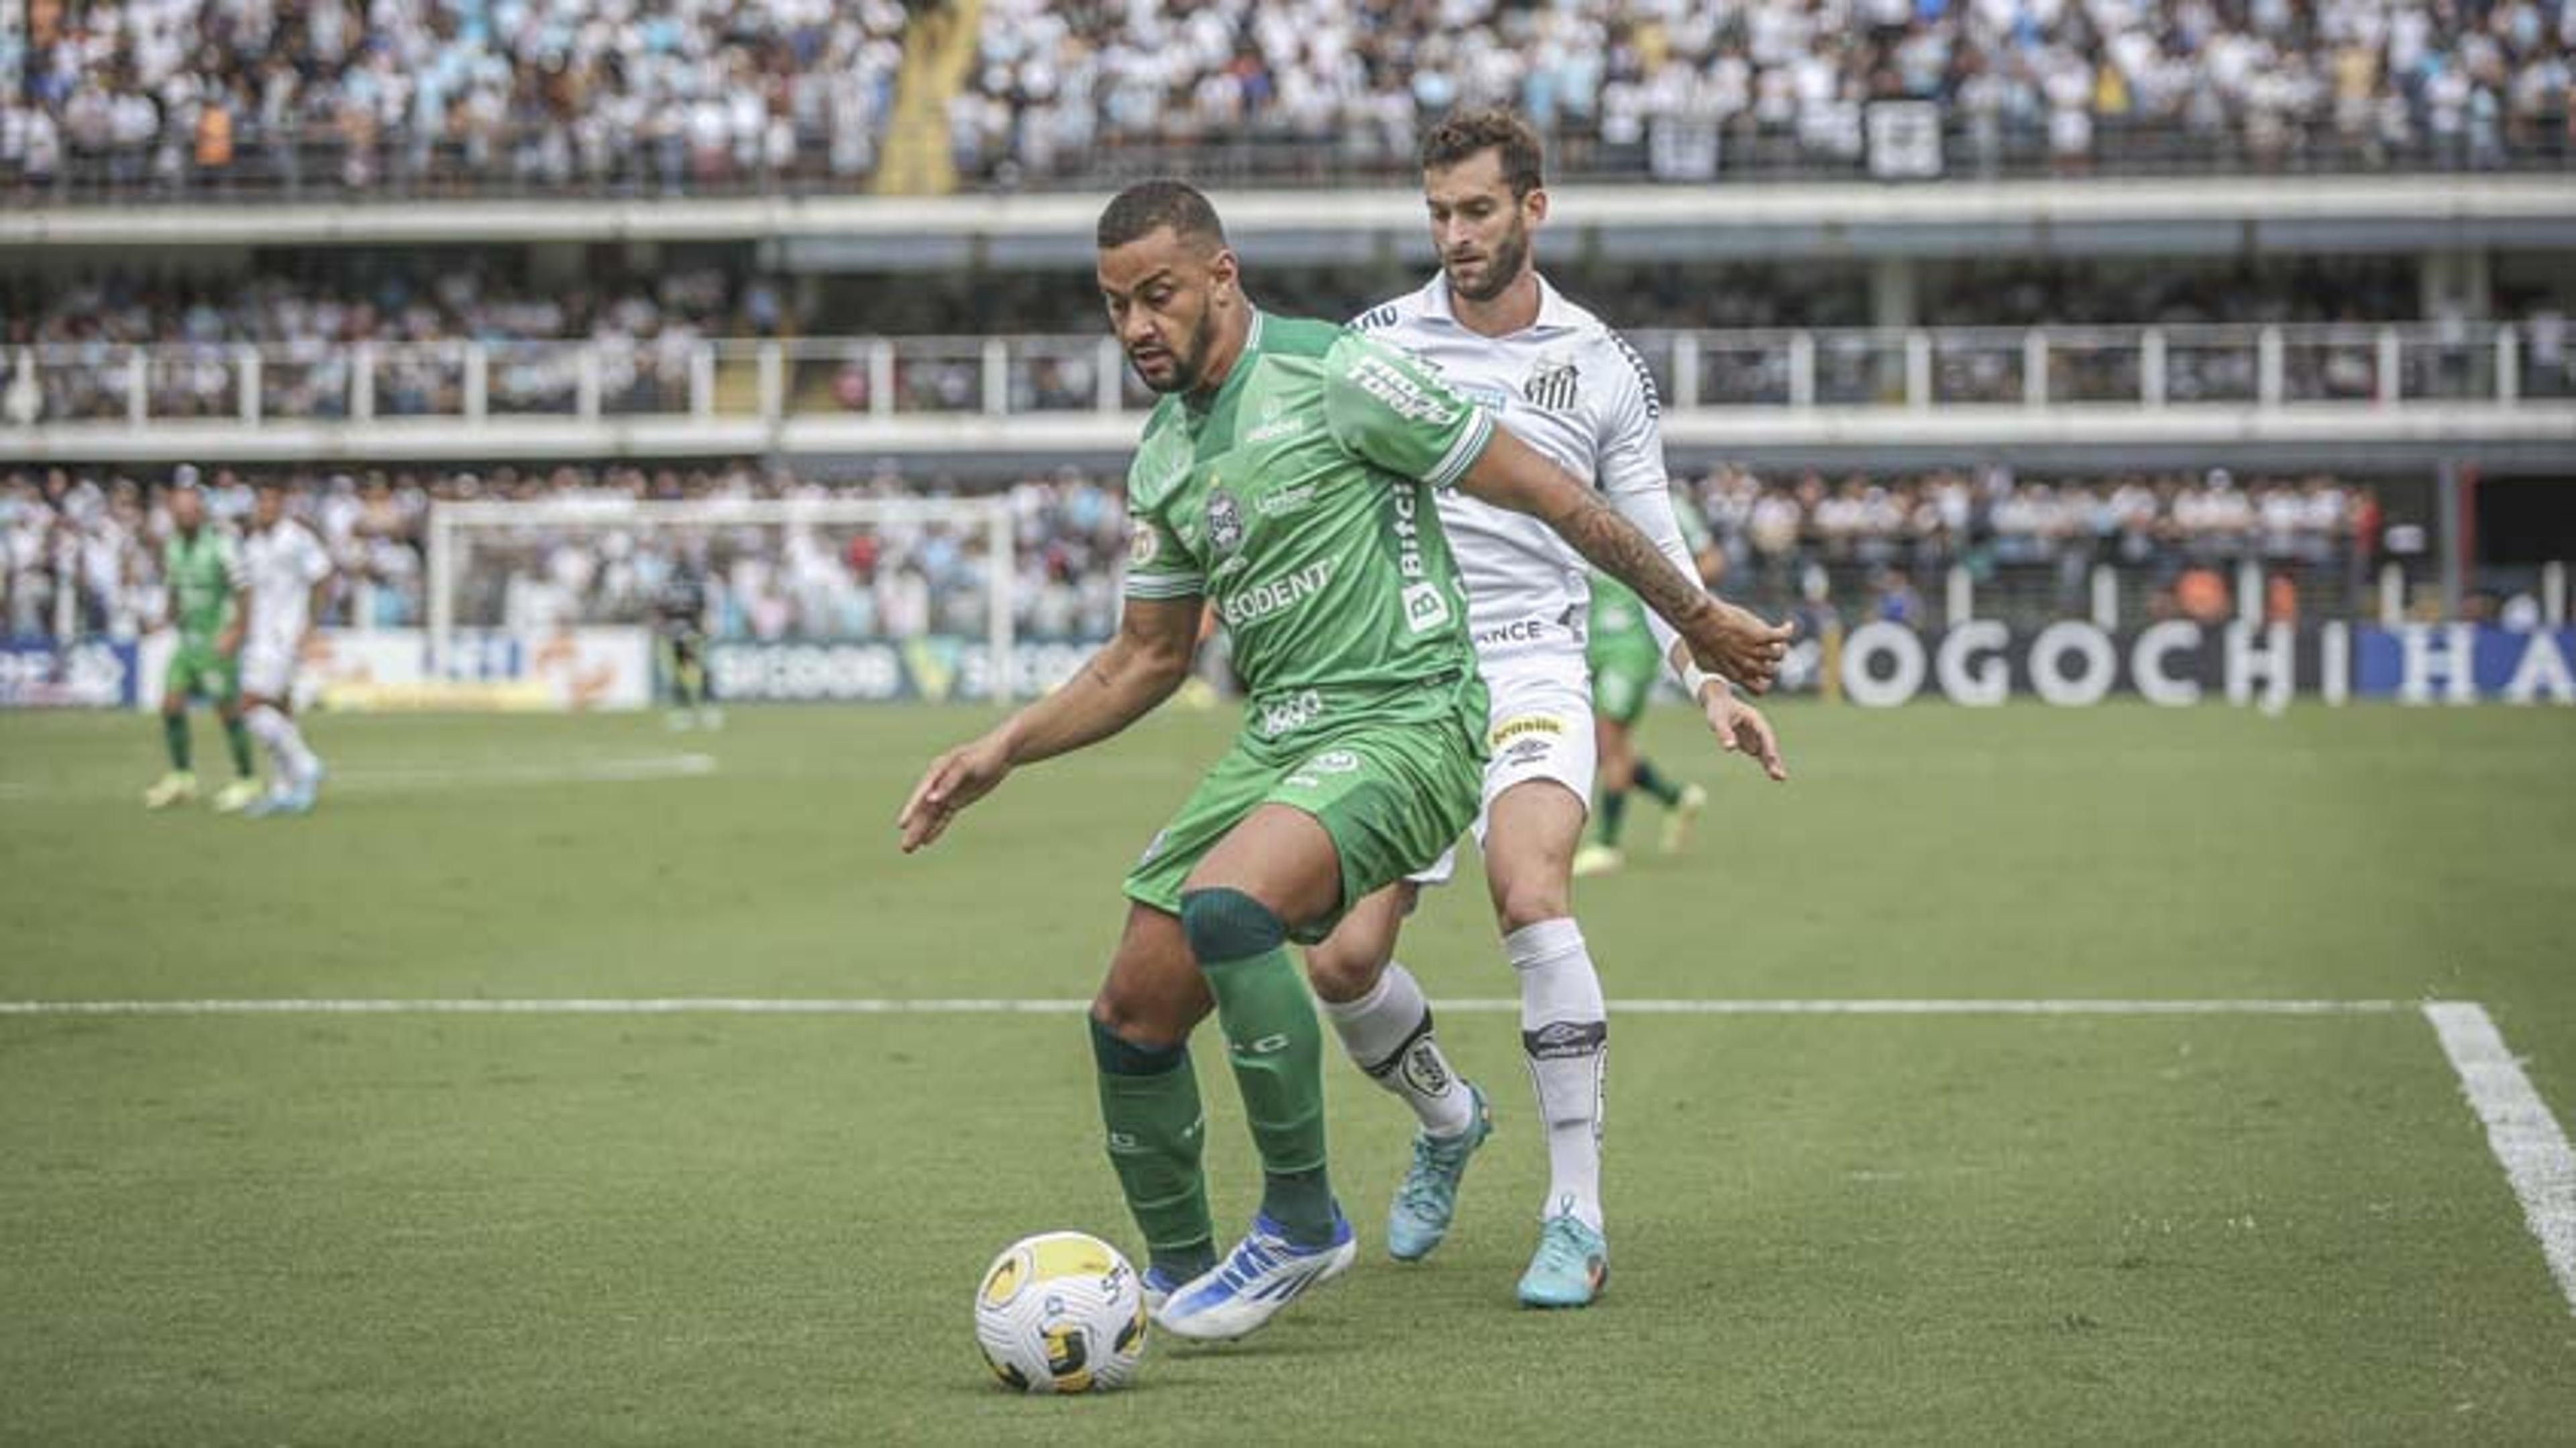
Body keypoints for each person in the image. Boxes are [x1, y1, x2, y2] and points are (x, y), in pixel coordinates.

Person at [898, 180, 1788, 1345]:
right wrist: (1000, 751)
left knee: (1236, 908)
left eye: (1157, 295)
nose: (1135, 328)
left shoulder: (1337, 373)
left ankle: (1305, 1221)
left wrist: (1698, 620)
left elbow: (1555, 492)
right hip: (1283, 737)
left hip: (1411, 715)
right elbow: (1147, 656)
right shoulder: (1165, 455)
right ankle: (1165, 1280)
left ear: (1222, 273)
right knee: (1130, 1008)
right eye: (1116, 306)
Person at [1309, 108, 1786, 1311]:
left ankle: (1576, 1210)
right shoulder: (1378, 344)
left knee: (1530, 890)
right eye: (1437, 212)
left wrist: (1708, 675)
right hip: (1403, 675)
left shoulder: (1602, 363)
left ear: (1534, 207)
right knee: (1344, 958)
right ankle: (1448, 1118)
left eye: (1476, 209)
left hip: (1531, 664)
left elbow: (1652, 541)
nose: (1455, 233)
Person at [1570, 488, 1727, 879]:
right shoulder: (1573, 494)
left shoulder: (1664, 505)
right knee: (1606, 745)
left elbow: (1711, 561)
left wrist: (1659, 581)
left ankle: (1607, 843)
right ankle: (1675, 797)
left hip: (1632, 644)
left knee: (1609, 740)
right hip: (1587, 641)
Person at [142, 478, 263, 813]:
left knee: (228, 711)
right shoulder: (173, 547)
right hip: (188, 641)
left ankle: (247, 779)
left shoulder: (222, 545)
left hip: (217, 640)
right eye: (179, 512)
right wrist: (162, 619)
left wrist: (237, 631)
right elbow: (175, 590)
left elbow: (244, 590)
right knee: (170, 704)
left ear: (202, 512)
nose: (185, 517)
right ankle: (182, 776)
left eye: (191, 511)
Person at [235, 480, 333, 817]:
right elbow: (249, 592)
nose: (265, 509)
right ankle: (286, 787)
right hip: (260, 638)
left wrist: (310, 626)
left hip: (283, 638)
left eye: (271, 503)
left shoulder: (296, 538)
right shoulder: (252, 543)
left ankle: (304, 764)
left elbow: (322, 577)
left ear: (281, 506)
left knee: (248, 706)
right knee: (280, 709)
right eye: (260, 504)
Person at [657, 559, 720, 729]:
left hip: (679, 637)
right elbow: (703, 611)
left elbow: (662, 614)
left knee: (684, 674)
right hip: (692, 636)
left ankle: (688, 710)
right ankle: (706, 709)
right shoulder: (695, 589)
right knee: (699, 672)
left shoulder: (669, 590)